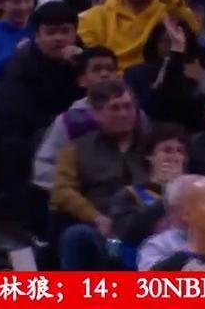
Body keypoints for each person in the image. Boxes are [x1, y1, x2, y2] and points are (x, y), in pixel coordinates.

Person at [0, 2, 83, 224]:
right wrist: (61, 125)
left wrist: (80, 68)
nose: (59, 38)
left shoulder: (85, 60)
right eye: (51, 32)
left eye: (65, 31)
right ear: (37, 36)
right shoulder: (21, 64)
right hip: (31, 132)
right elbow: (15, 114)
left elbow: (101, 101)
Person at [51, 80, 147, 269]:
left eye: (128, 107)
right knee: (77, 236)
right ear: (96, 114)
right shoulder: (77, 149)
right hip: (103, 228)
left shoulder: (153, 143)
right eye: (115, 108)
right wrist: (95, 217)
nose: (123, 114)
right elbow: (61, 191)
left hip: (148, 225)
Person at [31, 47, 130, 192]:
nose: (104, 74)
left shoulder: (135, 115)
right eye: (97, 69)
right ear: (82, 80)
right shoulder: (69, 121)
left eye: (110, 69)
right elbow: (44, 166)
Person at [78, 0, 203, 72]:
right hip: (111, 82)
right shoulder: (92, 17)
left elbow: (194, 30)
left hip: (157, 78)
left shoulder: (170, 12)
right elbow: (92, 60)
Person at [109, 124, 189, 268]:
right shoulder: (128, 194)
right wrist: (168, 194)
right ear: (150, 156)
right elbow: (128, 234)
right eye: (167, 150)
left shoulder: (198, 192)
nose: (175, 157)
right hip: (148, 264)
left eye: (180, 151)